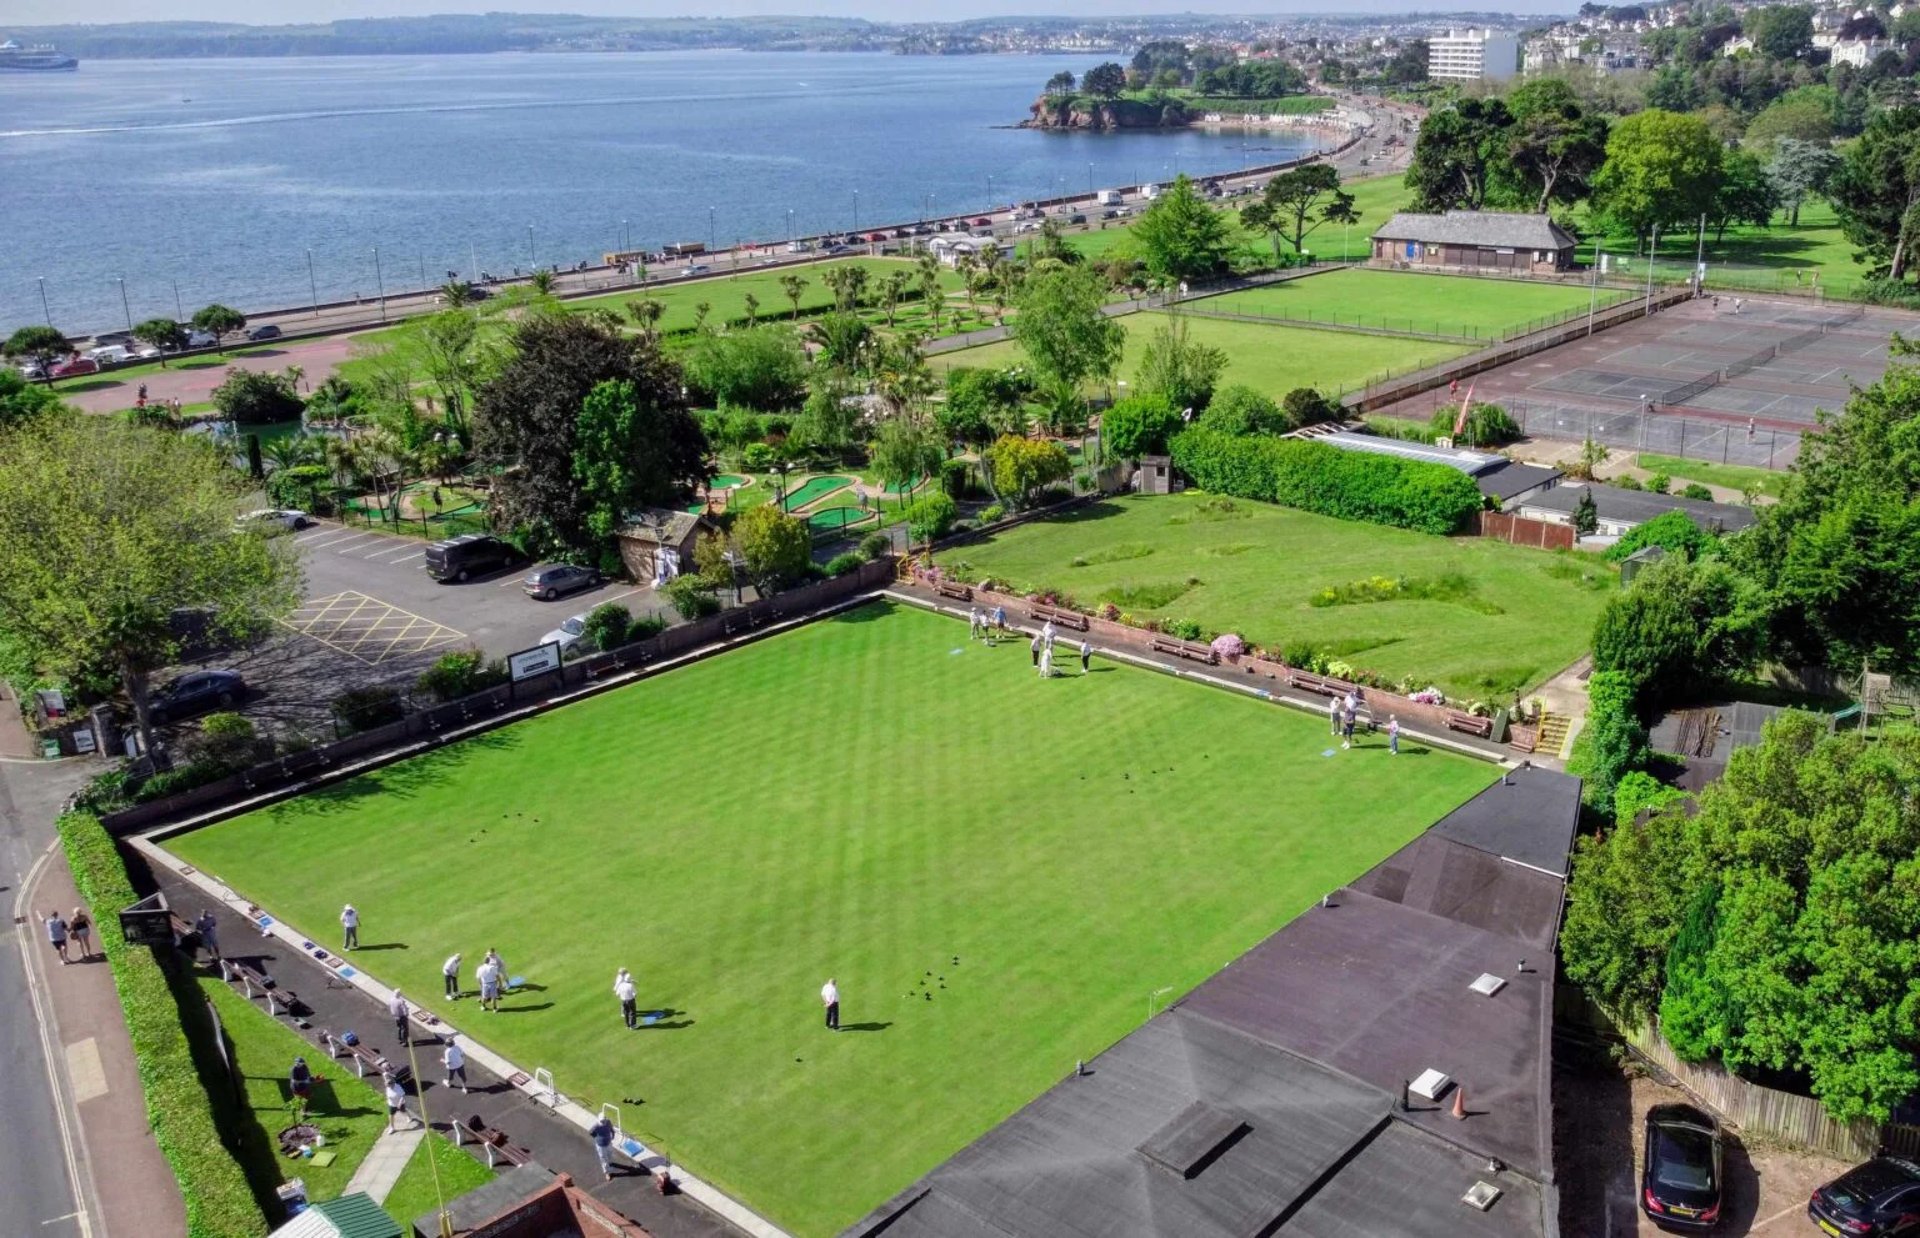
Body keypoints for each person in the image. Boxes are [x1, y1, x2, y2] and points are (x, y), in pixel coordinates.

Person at [589, 1114, 616, 1181]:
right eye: (602, 1121)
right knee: (604, 1159)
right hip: (601, 1146)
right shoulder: (596, 1126)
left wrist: (613, 1135)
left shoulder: (608, 1122)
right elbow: (590, 1132)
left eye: (604, 1121)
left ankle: (609, 1163)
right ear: (599, 1120)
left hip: (608, 1143)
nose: (603, 1122)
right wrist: (596, 1137)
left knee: (610, 1155)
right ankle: (607, 1173)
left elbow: (611, 1129)